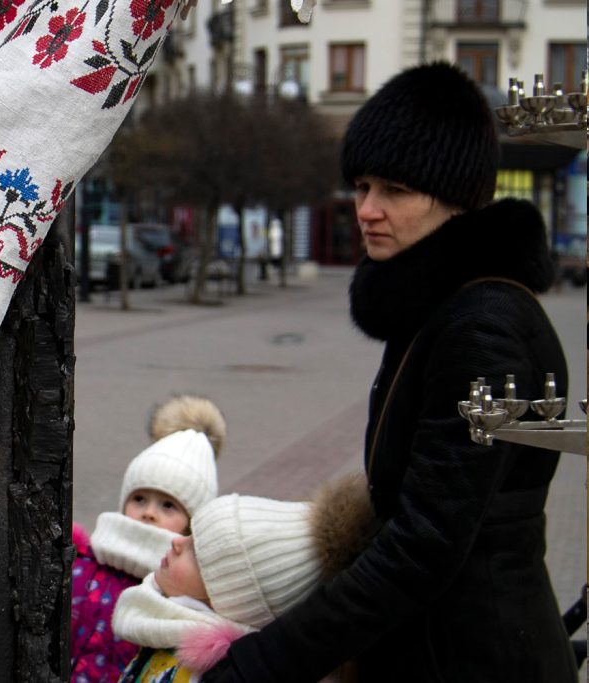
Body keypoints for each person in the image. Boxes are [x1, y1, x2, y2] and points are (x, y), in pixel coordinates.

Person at [203, 62, 579, 682]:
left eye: (395, 192)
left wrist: (258, 666)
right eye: (361, 186)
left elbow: (422, 547)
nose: (367, 210)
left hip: (474, 659)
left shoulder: (483, 327)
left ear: (454, 197)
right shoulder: (439, 305)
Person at [112, 475, 376, 682]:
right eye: (190, 535)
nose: (178, 542)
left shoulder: (206, 669)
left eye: (198, 553)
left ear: (228, 596)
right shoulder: (166, 624)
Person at [71, 395, 226, 682]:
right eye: (139, 498)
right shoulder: (80, 563)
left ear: (190, 528)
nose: (149, 513)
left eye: (168, 505)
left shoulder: (175, 595)